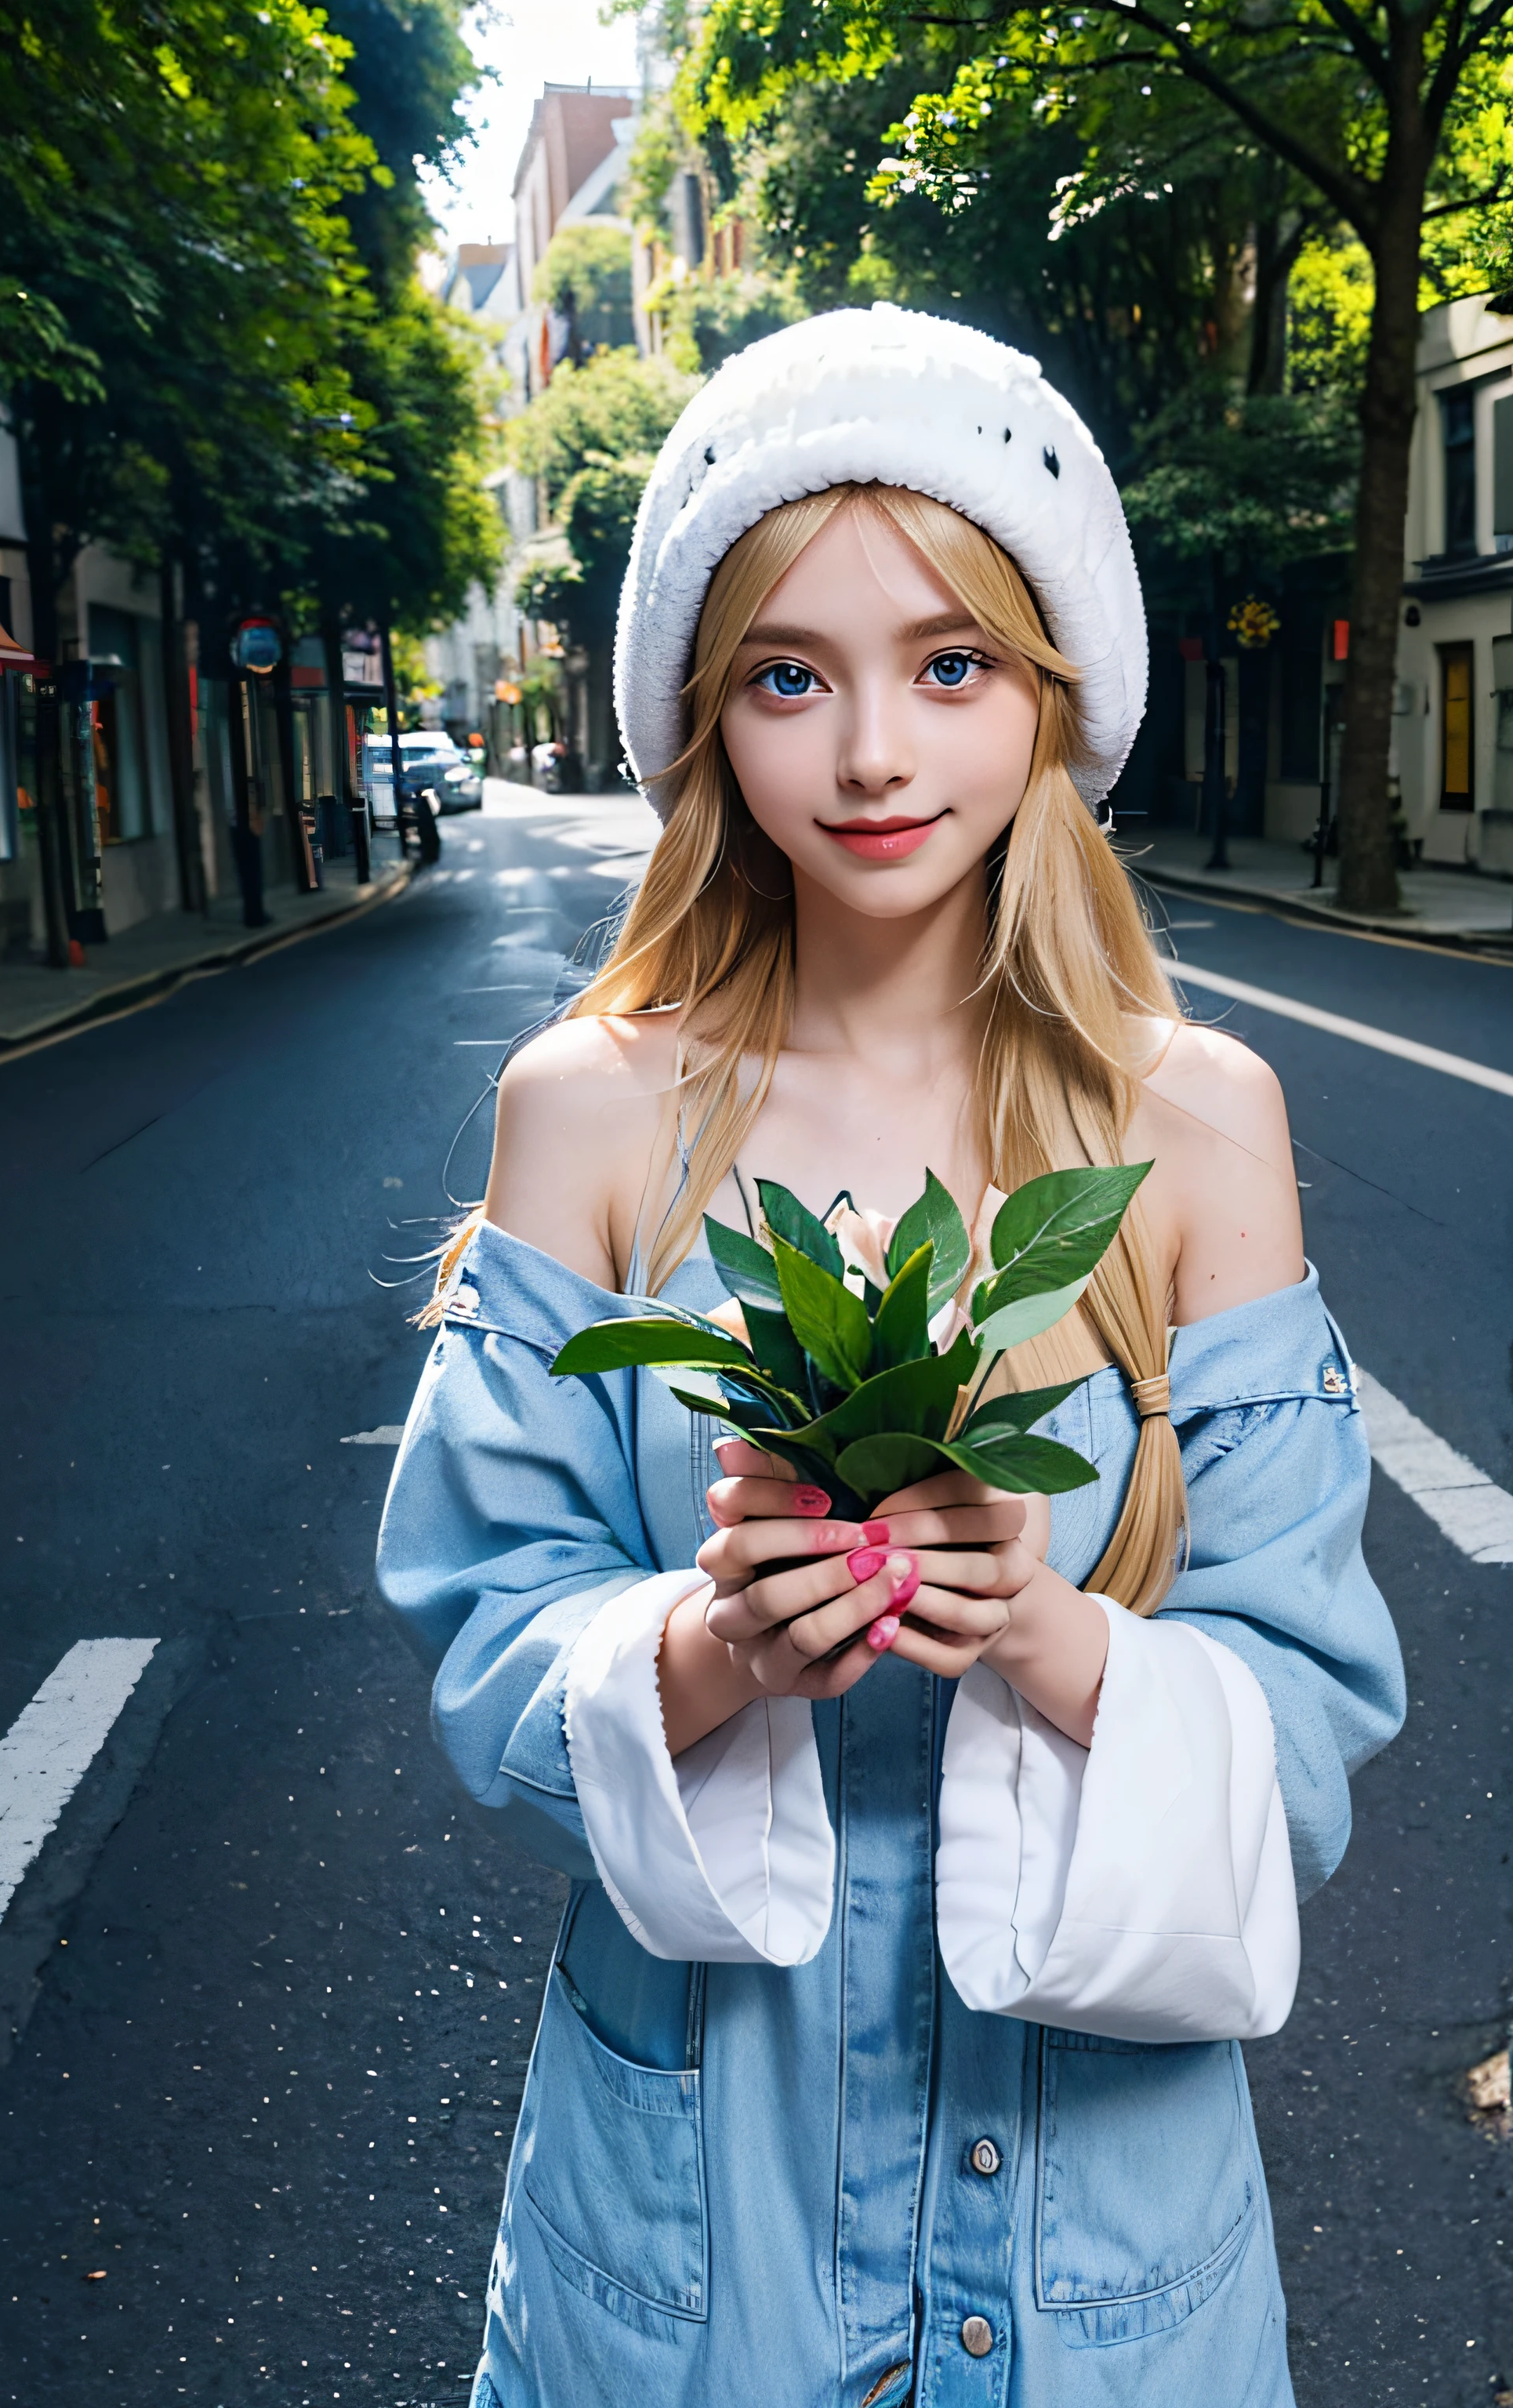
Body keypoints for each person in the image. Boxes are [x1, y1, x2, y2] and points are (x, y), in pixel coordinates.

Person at [376, 306, 1405, 2408]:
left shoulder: (1194, 1120)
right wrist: (711, 1645)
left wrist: (1045, 1634)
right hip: (690, 2249)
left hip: (1107, 2251)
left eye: (949, 665)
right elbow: (490, 1643)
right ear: (705, 715)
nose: (870, 753)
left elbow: (1306, 1719)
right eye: (788, 673)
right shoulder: (585, 1113)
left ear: (1051, 698)